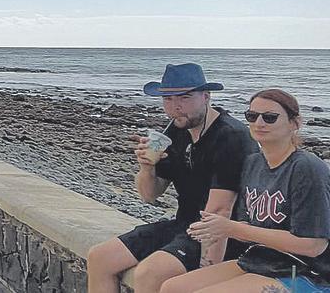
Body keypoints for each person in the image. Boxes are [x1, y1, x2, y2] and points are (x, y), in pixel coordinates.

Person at [85, 63, 257, 293]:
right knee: (100, 257)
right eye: (168, 99)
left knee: (150, 272)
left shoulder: (231, 137)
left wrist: (206, 271)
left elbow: (219, 211)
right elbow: (149, 195)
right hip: (183, 224)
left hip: (224, 234)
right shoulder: (175, 132)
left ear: (206, 96)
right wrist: (147, 167)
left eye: (184, 97)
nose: (175, 107)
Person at [164, 89, 330, 293]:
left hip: (306, 271)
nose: (259, 123)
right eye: (252, 116)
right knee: (173, 287)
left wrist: (232, 228)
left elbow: (313, 245)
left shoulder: (306, 168)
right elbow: (248, 227)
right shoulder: (253, 163)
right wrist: (214, 227)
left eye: (270, 118)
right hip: (261, 259)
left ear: (294, 123)